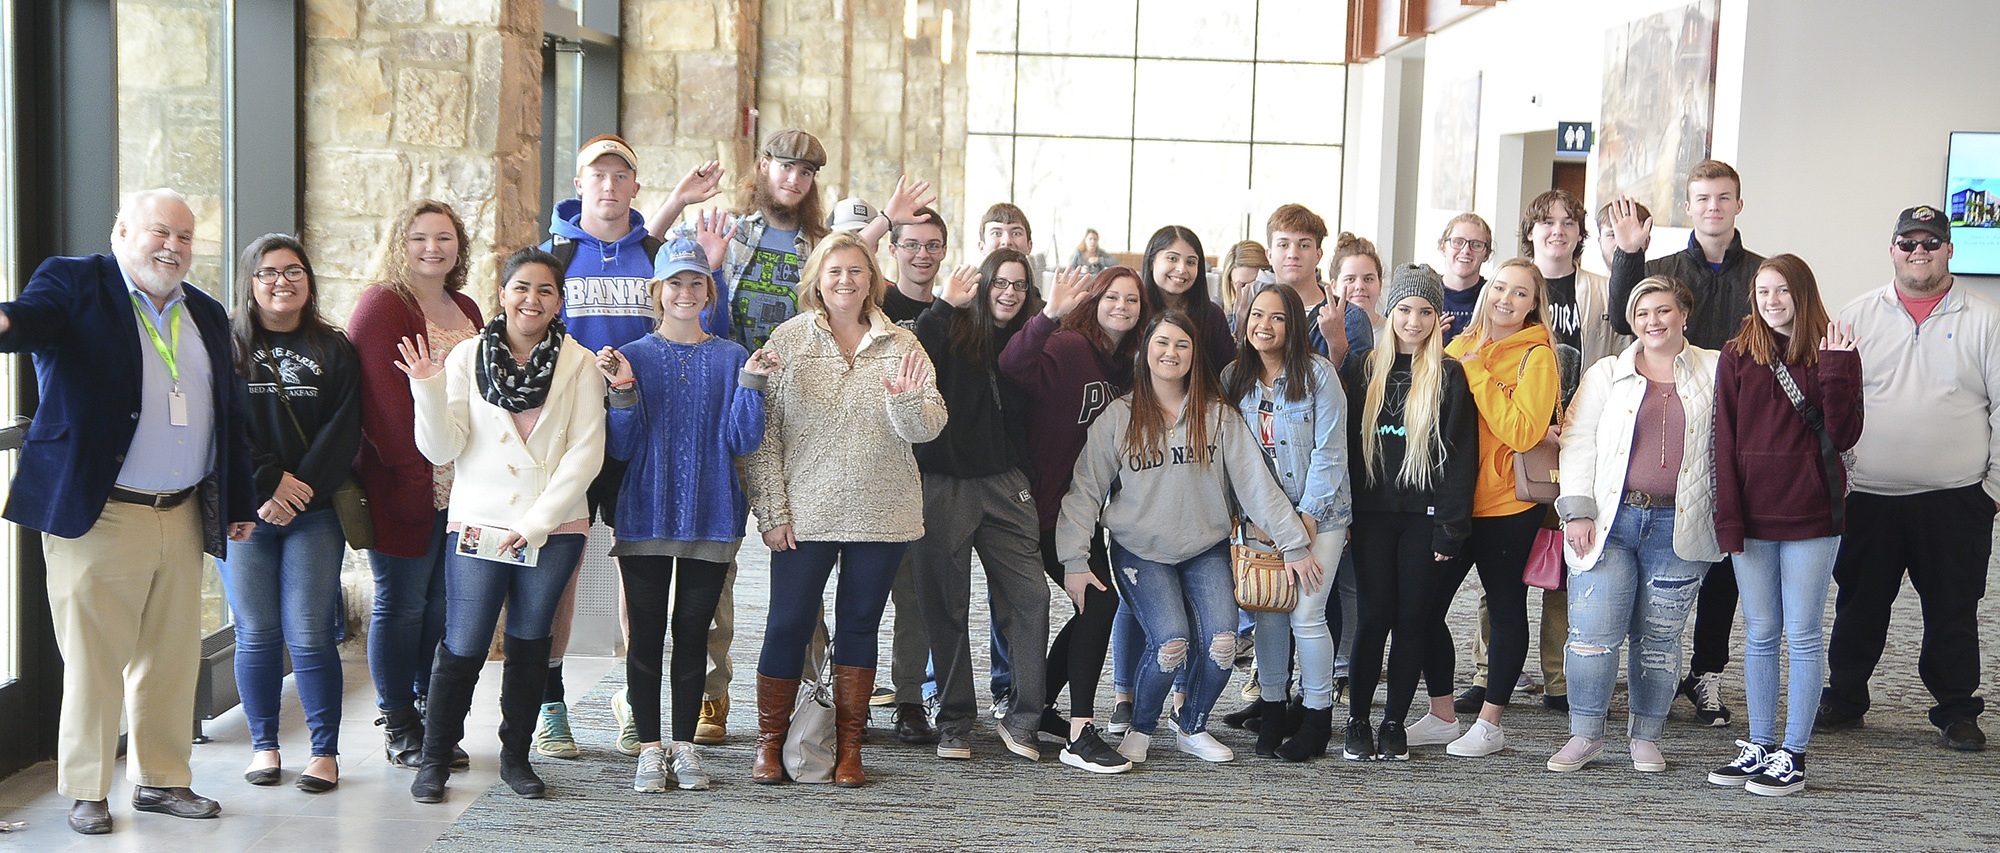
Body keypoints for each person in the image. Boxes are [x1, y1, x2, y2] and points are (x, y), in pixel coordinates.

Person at [0, 188, 255, 835]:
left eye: (185, 236)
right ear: (122, 230)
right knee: (95, 658)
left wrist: (238, 499)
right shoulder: (77, 283)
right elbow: (29, 321)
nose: (172, 245)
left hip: (182, 509)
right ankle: (87, 787)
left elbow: (230, 415)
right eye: (159, 231)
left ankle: (163, 779)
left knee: (172, 656)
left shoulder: (205, 310)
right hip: (100, 512)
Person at [1059, 310, 1322, 765]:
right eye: (1162, 343)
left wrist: (1294, 543)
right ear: (1145, 352)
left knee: (1222, 642)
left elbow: (1256, 486)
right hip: (1141, 551)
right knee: (1171, 642)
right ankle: (1140, 728)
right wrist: (1075, 561)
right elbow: (1084, 492)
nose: (1171, 353)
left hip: (1205, 548)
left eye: (1182, 345)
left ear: (1194, 356)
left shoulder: (1217, 417)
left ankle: (1192, 726)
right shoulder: (1117, 418)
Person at [399, 248, 607, 803]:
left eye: (544, 290)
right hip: (480, 523)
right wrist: (426, 386)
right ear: (502, 294)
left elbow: (586, 454)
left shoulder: (579, 363)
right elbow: (442, 447)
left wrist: (538, 523)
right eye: (521, 288)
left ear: (558, 301)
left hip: (554, 524)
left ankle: (517, 758)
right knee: (464, 643)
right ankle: (436, 759)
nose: (531, 299)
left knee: (530, 643)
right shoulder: (467, 358)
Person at [742, 231, 947, 788]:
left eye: (856, 271)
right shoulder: (788, 339)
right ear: (817, 278)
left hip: (882, 512)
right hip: (805, 513)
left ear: (872, 280)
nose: (845, 281)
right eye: (834, 271)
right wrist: (773, 512)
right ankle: (769, 745)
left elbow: (927, 428)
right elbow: (766, 439)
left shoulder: (902, 346)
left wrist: (904, 400)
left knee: (860, 626)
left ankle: (849, 749)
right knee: (786, 625)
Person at [1820, 205, 2000, 754]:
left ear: (1950, 250)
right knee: (1859, 604)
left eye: (1931, 242)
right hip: (1870, 497)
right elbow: (1834, 404)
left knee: (1953, 607)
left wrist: (1991, 492)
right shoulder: (1856, 316)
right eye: (1908, 242)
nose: (1919, 251)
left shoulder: (1985, 319)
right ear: (1892, 249)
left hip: (1956, 500)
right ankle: (1846, 697)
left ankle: (1956, 709)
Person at [597, 238, 773, 794]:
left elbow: (744, 438)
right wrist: (623, 393)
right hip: (645, 512)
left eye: (696, 282)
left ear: (708, 292)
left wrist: (751, 384)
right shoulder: (634, 354)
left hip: (712, 512)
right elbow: (620, 448)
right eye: (675, 282)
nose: (685, 292)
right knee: (645, 635)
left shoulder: (732, 357)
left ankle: (685, 746)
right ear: (658, 291)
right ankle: (649, 748)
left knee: (694, 632)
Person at [1606, 161, 1764, 727]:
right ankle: (1652, 670)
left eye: (1724, 198)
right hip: (1669, 422)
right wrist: (1628, 255)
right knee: (1658, 559)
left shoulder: (1762, 273)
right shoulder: (1667, 269)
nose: (1713, 207)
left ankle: (1708, 672)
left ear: (1738, 205)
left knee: (1723, 554)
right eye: (1702, 198)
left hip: (1740, 428)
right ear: (1690, 206)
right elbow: (1625, 320)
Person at [1549, 276, 1721, 773]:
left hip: (1680, 525)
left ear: (1683, 313)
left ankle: (1646, 734)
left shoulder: (1714, 369)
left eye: (1663, 310)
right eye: (1643, 313)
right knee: (1592, 635)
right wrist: (1576, 509)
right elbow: (1578, 441)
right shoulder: (1607, 373)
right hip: (1609, 521)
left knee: (1660, 638)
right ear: (1631, 320)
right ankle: (1584, 734)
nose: (1654, 321)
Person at [1708, 253, 1862, 796]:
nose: (1772, 302)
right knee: (1760, 633)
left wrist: (1840, 368)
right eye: (1763, 291)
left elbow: (1843, 434)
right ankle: (1759, 743)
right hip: (1750, 517)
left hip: (1813, 517)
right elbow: (1722, 444)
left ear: (1802, 293)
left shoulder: (1832, 352)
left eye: (1782, 291)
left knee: (1800, 633)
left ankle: (1793, 752)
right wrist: (1727, 518)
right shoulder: (1736, 355)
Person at [222, 234, 363, 794]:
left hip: (315, 510)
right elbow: (221, 425)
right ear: (249, 283)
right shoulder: (226, 344)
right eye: (268, 272)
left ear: (309, 280)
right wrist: (267, 483)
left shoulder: (334, 346)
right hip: (246, 509)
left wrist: (296, 488)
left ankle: (324, 752)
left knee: (309, 634)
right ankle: (264, 745)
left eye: (293, 271)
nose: (282, 281)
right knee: (256, 632)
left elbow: (345, 427)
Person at [907, 250, 1058, 765]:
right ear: (984, 285)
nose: (1009, 293)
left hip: (1005, 484)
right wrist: (944, 305)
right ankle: (954, 721)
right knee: (944, 604)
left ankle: (1023, 718)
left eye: (1019, 285)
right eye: (1000, 283)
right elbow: (913, 358)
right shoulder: (950, 328)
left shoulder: (1028, 341)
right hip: (943, 482)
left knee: (1032, 598)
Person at [348, 199, 484, 770]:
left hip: (468, 487)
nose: (434, 248)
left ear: (460, 246)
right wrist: (416, 473)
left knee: (444, 608)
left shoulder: (468, 307)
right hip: (406, 484)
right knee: (401, 605)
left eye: (445, 238)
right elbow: (378, 407)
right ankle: (398, 721)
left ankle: (435, 719)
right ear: (399, 243)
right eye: (420, 238)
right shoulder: (383, 306)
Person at [997, 265, 1151, 760]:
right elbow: (1013, 365)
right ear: (1094, 301)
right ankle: (1076, 729)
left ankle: (1038, 703)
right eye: (1112, 297)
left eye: (1132, 300)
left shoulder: (1122, 364)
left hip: (1082, 509)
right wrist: (1047, 315)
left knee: (1098, 603)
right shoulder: (1068, 346)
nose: (1121, 307)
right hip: (1044, 507)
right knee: (1099, 601)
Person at [1342, 264, 1478, 762]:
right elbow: (1342, 450)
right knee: (1374, 617)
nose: (1414, 321)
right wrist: (1343, 516)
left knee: (1412, 618)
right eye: (1404, 310)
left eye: (1425, 311)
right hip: (1372, 517)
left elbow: (1461, 456)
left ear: (1438, 317)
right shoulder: (1360, 369)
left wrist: (1451, 528)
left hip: (1424, 518)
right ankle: (1358, 720)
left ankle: (1394, 722)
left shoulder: (1448, 374)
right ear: (1389, 312)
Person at [1433, 258, 1561, 759]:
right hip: (1454, 503)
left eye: (1520, 293)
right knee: (1424, 608)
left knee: (1505, 606)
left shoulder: (1537, 356)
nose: (1506, 299)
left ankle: (1490, 723)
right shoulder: (1459, 345)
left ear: (1534, 305)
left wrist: (1479, 373)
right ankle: (1443, 715)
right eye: (1500, 288)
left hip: (1509, 504)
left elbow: (1523, 431)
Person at [1221, 283, 1352, 762]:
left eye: (1277, 317)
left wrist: (1308, 518)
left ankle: (1317, 715)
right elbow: (1229, 460)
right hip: (1260, 521)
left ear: (1293, 323)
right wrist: (1253, 519)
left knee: (1306, 613)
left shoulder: (1318, 375)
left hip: (1323, 515)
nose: (1265, 325)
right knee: (1268, 611)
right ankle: (1273, 707)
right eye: (1257, 315)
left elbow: (1331, 453)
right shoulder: (1233, 378)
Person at [877, 204, 948, 743]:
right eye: (911, 244)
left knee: (915, 594)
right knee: (842, 593)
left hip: (926, 475)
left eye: (931, 245)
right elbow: (837, 257)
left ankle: (907, 699)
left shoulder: (954, 310)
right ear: (894, 249)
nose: (921, 254)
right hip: (862, 468)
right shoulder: (873, 301)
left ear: (943, 251)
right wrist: (883, 217)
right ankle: (827, 692)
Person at [1268, 205, 1370, 369]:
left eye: (1304, 245)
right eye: (1283, 245)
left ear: (1318, 255)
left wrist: (1336, 341)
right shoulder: (1257, 313)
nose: (1293, 254)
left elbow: (1361, 387)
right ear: (1269, 255)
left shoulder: (1350, 317)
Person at [1435, 213, 1495, 337]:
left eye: (1476, 244)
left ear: (1486, 254)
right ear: (1442, 247)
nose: (1466, 250)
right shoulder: (1423, 295)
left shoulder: (1495, 298)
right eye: (1458, 242)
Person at [1219, 239, 1270, 331]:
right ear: (1231, 285)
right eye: (1243, 286)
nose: (1251, 292)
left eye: (1257, 284)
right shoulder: (1221, 318)